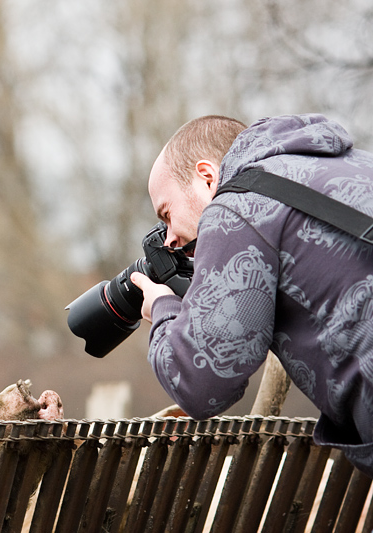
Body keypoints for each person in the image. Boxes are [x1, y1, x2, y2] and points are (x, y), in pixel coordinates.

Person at [130, 113, 373, 477]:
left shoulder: (237, 205)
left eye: (167, 214)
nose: (168, 240)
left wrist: (163, 307)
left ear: (207, 177)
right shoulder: (353, 164)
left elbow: (203, 382)